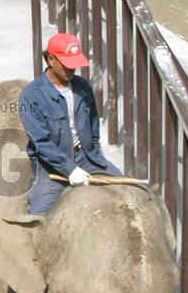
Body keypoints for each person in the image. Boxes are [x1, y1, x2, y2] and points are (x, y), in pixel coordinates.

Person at [19, 32, 122, 215]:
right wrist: (70, 169)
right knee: (40, 214)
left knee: (124, 189)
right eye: (67, 64)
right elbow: (40, 141)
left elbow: (93, 123)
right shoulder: (31, 96)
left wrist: (92, 152)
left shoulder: (82, 86)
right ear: (51, 59)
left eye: (75, 64)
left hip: (87, 158)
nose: (72, 69)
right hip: (50, 166)